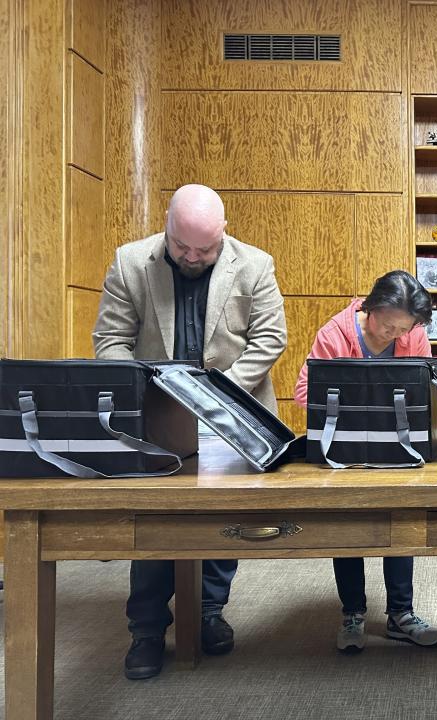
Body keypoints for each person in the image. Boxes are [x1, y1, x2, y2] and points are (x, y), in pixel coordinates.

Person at [93, 184, 288, 679]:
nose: (193, 257)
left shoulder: (255, 264)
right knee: (157, 525)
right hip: (157, 417)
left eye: (206, 249)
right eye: (183, 247)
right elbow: (111, 340)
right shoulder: (131, 262)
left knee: (224, 520)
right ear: (167, 225)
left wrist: (217, 395)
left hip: (232, 412)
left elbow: (270, 339)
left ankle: (207, 613)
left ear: (224, 231)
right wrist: (143, 393)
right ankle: (146, 629)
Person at [294, 270, 437, 653]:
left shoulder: (414, 335)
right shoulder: (335, 333)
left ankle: (401, 614)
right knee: (349, 527)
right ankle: (352, 614)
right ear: (370, 306)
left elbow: (425, 394)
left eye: (402, 330)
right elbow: (302, 392)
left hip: (397, 446)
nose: (393, 336)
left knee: (402, 523)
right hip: (344, 450)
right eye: (386, 325)